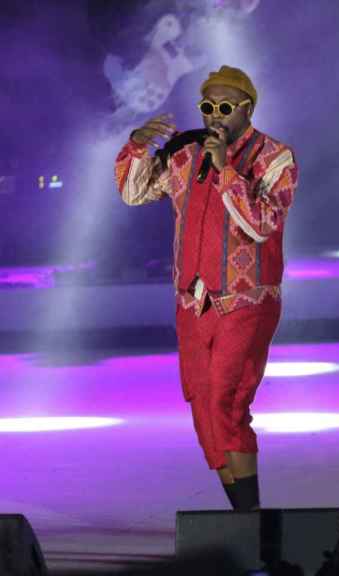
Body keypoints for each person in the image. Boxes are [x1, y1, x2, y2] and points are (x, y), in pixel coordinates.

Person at [114, 65, 298, 510]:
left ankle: (249, 520)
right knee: (202, 406)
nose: (214, 116)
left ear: (246, 108)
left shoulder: (275, 158)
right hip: (192, 302)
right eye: (207, 106)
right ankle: (243, 516)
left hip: (246, 300)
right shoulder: (184, 153)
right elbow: (133, 193)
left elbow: (262, 224)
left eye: (224, 107)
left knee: (226, 401)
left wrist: (226, 171)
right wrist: (137, 146)